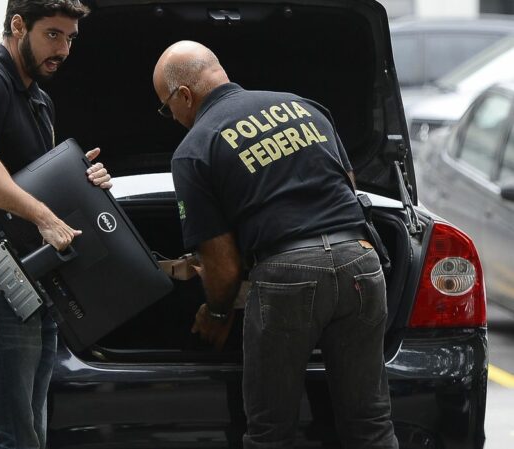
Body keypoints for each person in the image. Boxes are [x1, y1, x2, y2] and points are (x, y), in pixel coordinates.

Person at [153, 40, 398, 449]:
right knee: (371, 425)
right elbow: (348, 190)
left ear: (184, 95)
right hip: (361, 263)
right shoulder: (304, 106)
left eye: (166, 107)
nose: (171, 117)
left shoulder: (194, 149)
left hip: (288, 277)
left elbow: (224, 265)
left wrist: (216, 312)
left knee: (270, 434)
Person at [0, 1, 112, 448]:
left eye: (70, 38)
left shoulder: (37, 99)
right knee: (10, 438)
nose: (65, 50)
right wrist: (43, 217)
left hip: (29, 291)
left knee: (26, 437)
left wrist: (83, 178)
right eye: (53, 34)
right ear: (18, 25)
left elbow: (31, 181)